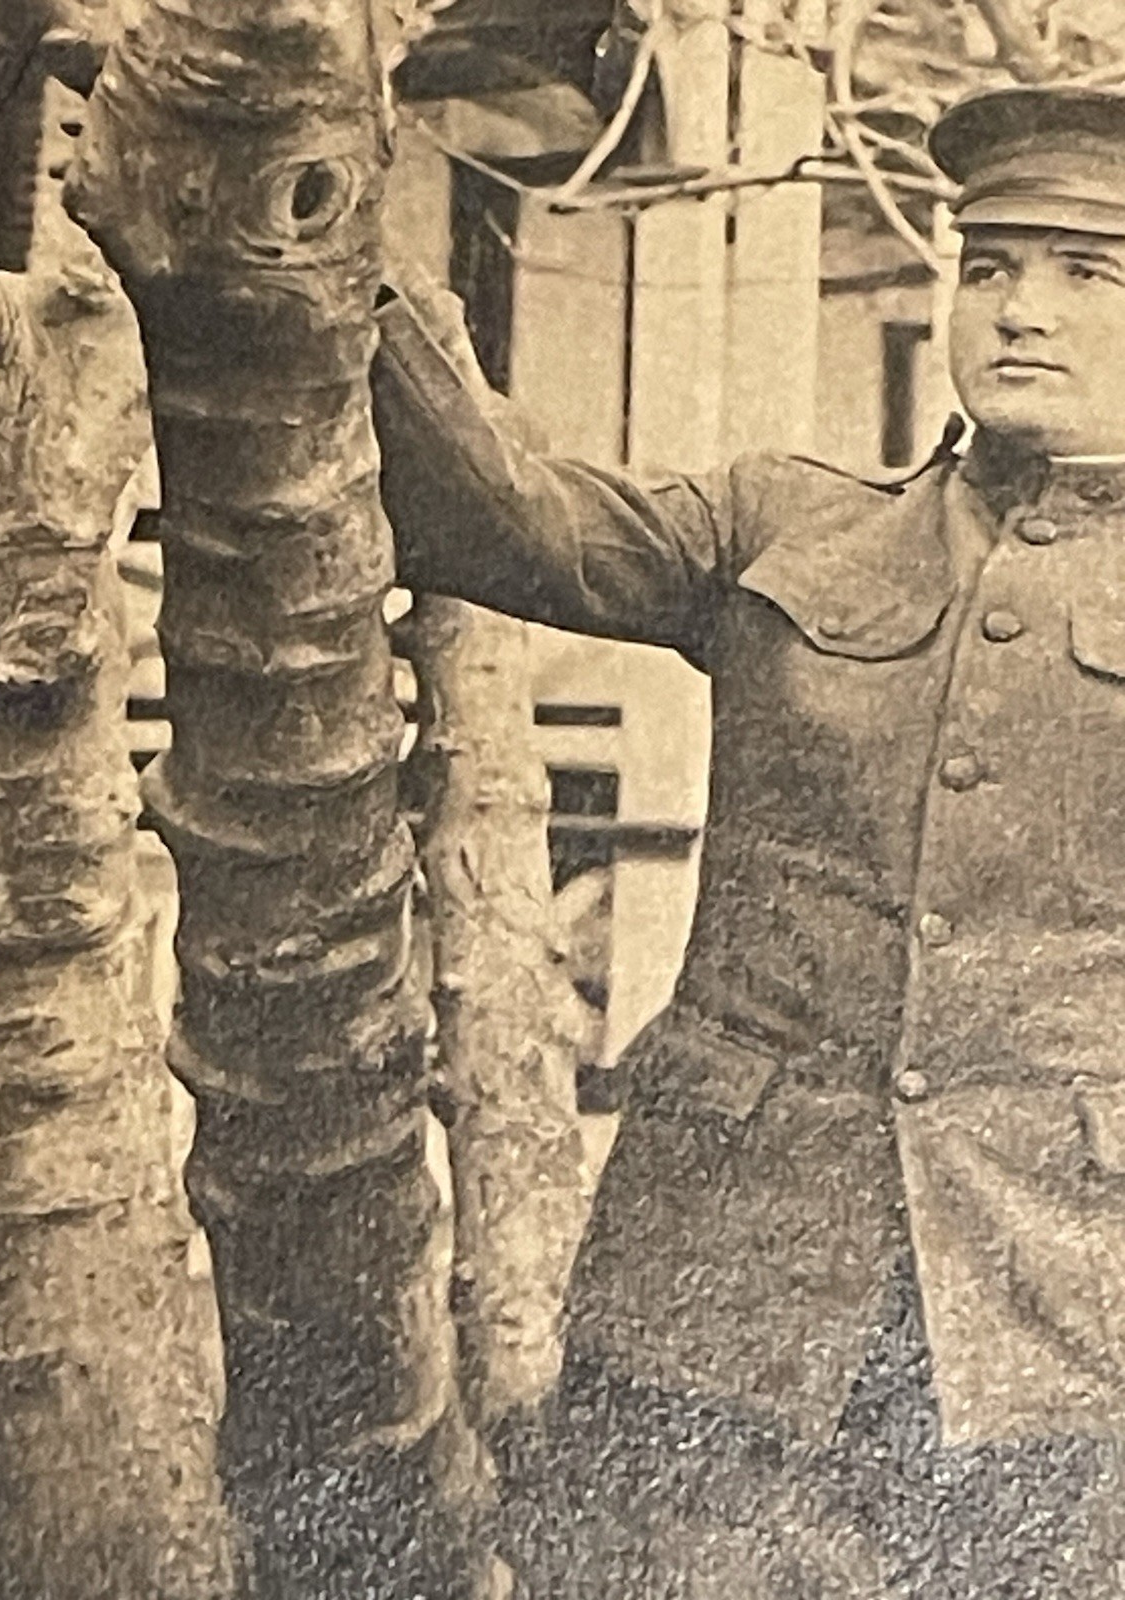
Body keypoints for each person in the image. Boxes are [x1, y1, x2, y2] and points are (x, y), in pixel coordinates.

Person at [372, 84, 1125, 1598]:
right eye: (987, 268)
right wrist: (336, 235)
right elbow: (499, 514)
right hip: (724, 1283)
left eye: (1083, 273)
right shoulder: (792, 521)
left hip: (1061, 1316)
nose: (1016, 311)